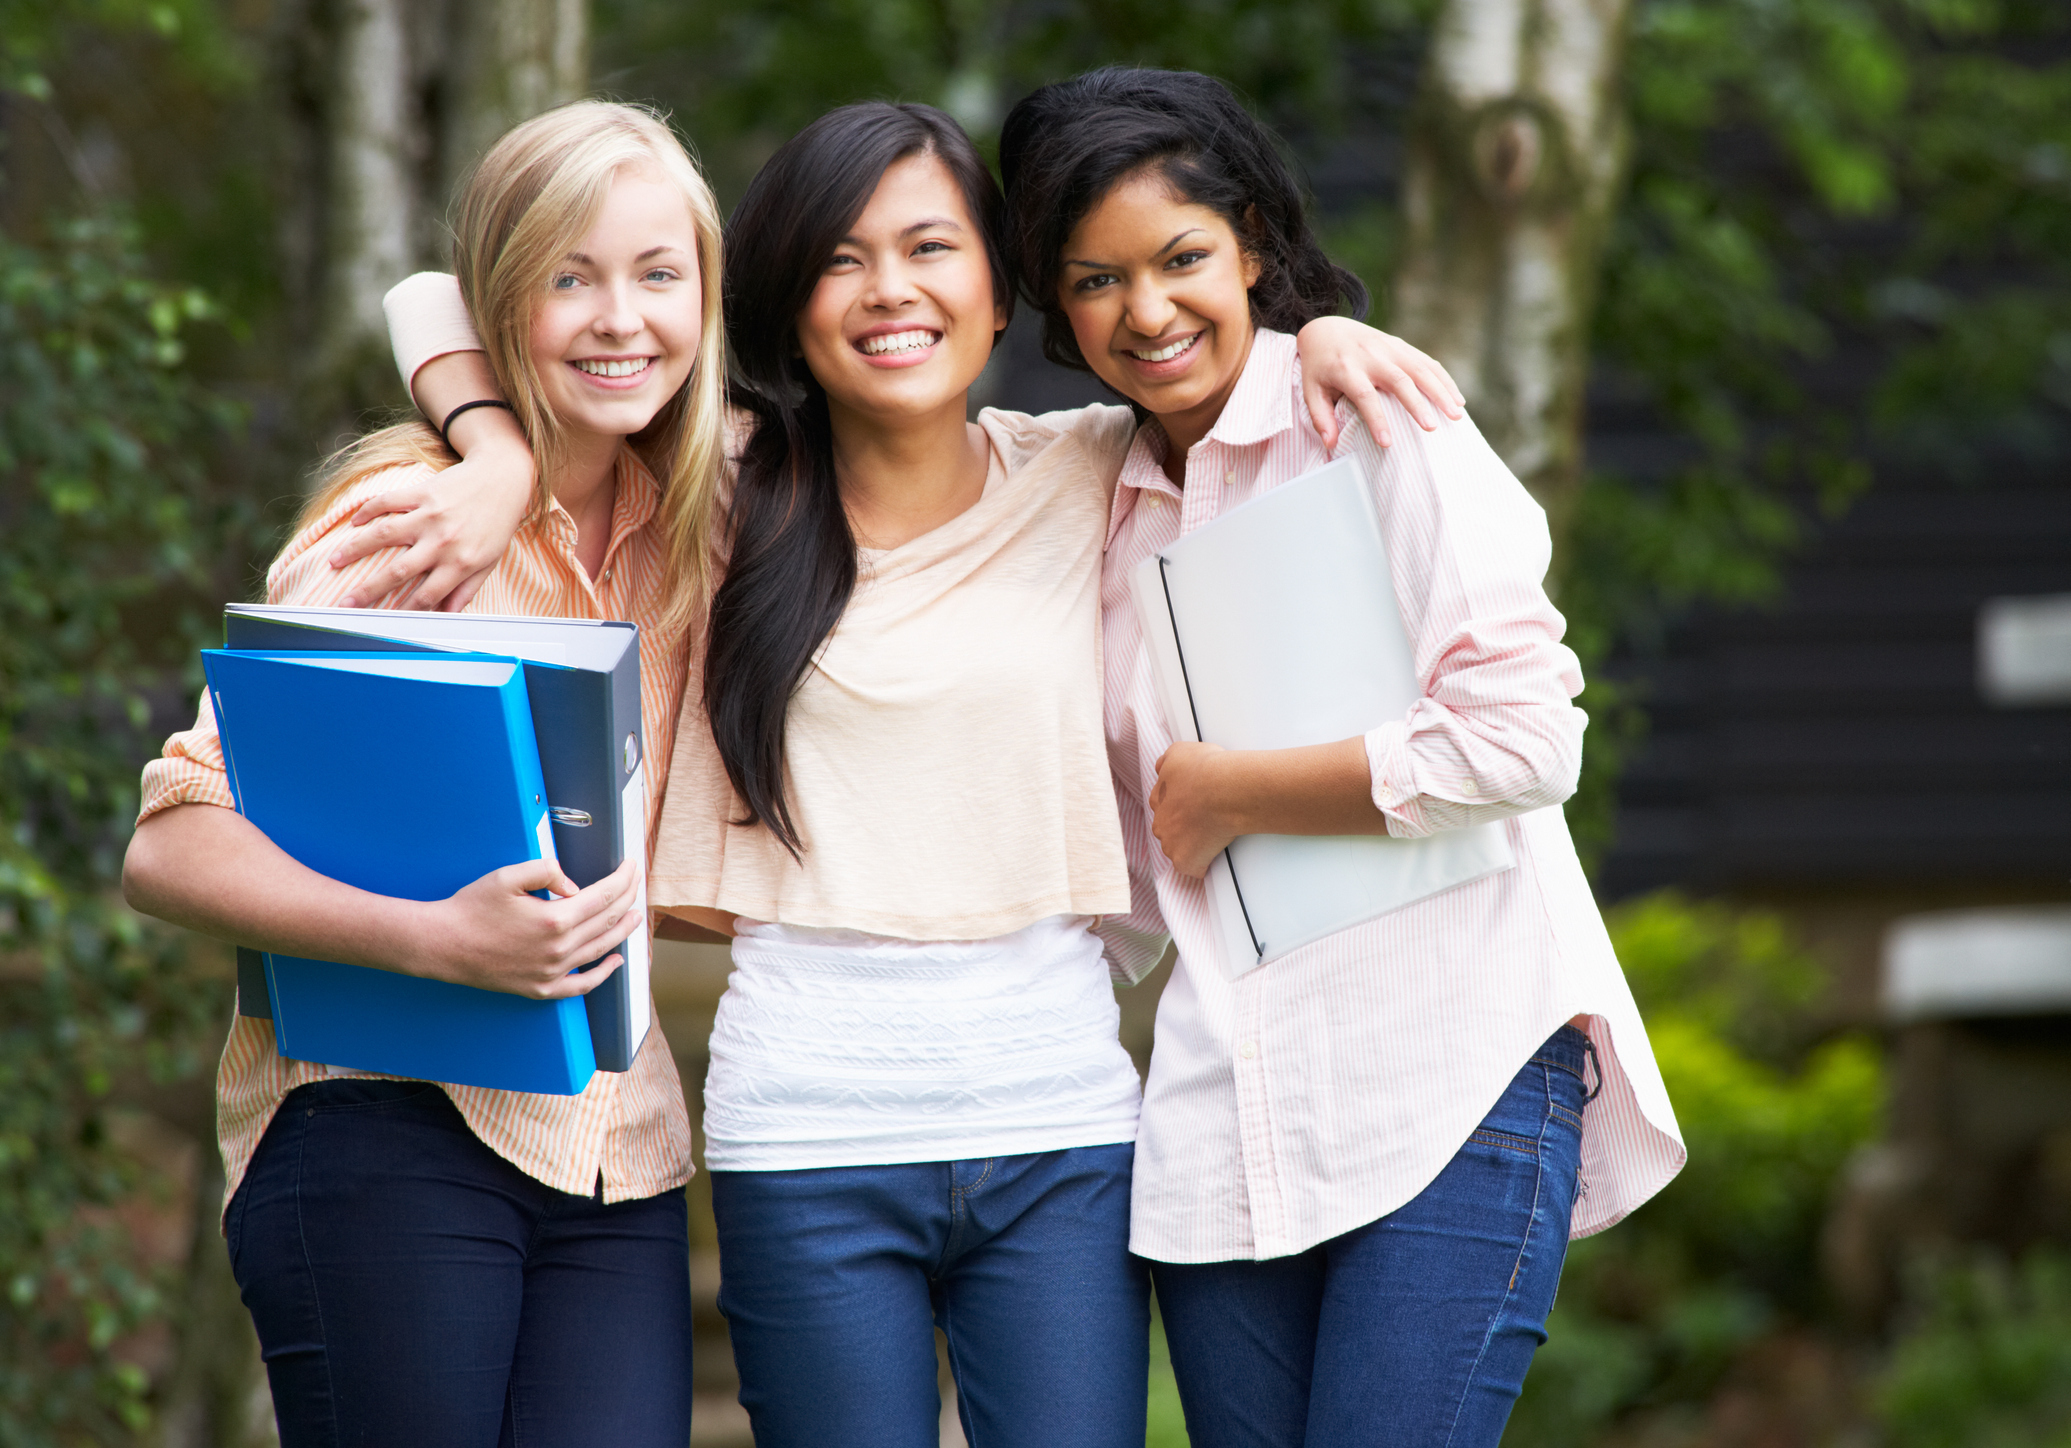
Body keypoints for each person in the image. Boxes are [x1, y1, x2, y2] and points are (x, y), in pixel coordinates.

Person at [364, 99, 1465, 1446]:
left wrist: (1316, 333)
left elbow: (1221, 357)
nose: (889, 291)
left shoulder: (1095, 473)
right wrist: (494, 446)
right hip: (806, 1129)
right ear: (786, 301)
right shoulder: (719, 483)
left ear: (1001, 290)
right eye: (839, 258)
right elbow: (430, 292)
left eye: (931, 247)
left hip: (1059, 1125)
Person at [996, 67, 1689, 1448]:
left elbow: (1523, 735)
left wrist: (1238, 790)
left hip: (1449, 1075)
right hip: (1218, 1136)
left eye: (1184, 259)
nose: (1148, 313)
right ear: (1055, 304)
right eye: (1096, 280)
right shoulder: (1086, 502)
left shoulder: (1375, 426)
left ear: (1252, 241)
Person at [119, 100, 727, 1448]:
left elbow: (425, 298)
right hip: (382, 1129)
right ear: (507, 302)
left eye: (658, 274)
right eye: (569, 277)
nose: (622, 318)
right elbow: (168, 845)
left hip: (615, 1153)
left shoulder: (705, 516)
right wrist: (437, 938)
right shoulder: (407, 518)